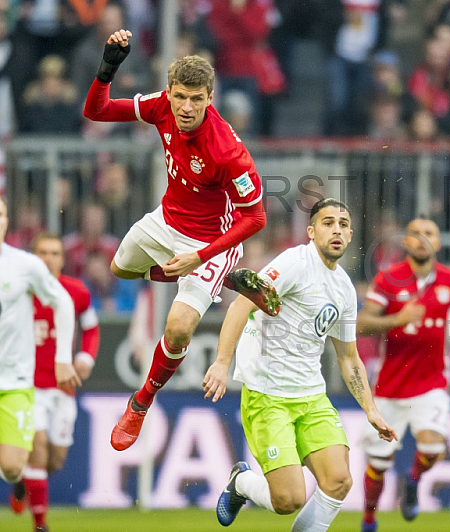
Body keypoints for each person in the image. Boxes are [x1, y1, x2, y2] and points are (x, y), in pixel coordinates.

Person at [82, 29, 279, 451]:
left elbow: (256, 217)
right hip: (165, 222)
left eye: (196, 98)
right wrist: (108, 67)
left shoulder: (228, 151)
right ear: (170, 92)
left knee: (176, 330)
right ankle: (220, 280)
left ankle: (140, 402)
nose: (186, 107)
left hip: (211, 242)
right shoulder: (160, 107)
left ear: (211, 98)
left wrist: (200, 257)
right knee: (120, 269)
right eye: (180, 97)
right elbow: (96, 111)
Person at [203, 198, 397, 531]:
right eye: (327, 223)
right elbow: (240, 307)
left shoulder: (344, 289)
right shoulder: (295, 263)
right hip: (268, 396)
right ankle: (242, 483)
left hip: (311, 396)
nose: (336, 229)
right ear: (311, 231)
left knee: (338, 481)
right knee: (288, 500)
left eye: (342, 224)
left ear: (350, 234)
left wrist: (371, 409)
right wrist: (222, 363)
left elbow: (348, 357)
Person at [356, 217, 450, 532]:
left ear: (437, 243)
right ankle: (369, 520)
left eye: (429, 233)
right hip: (390, 387)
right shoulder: (388, 280)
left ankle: (412, 483)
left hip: (432, 382)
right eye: (415, 233)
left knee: (433, 448)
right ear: (406, 242)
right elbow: (362, 324)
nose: (422, 238)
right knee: (378, 464)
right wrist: (398, 318)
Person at [8, 233, 100, 530]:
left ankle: (22, 482)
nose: (48, 258)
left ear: (63, 258)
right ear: (32, 258)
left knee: (54, 460)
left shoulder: (75, 292)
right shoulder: (18, 288)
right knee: (38, 448)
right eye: (42, 252)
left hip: (62, 387)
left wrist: (85, 357)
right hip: (26, 384)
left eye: (55, 253)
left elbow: (91, 328)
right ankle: (40, 524)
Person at [0, 197, 80, 493]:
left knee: (12, 467)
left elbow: (63, 303)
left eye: (1, 214)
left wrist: (64, 358)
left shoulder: (25, 265)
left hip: (15, 381)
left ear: (7, 221)